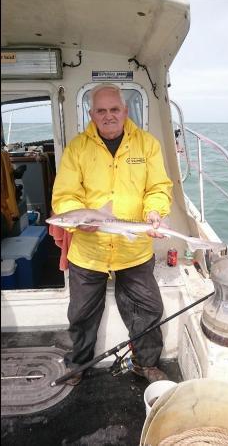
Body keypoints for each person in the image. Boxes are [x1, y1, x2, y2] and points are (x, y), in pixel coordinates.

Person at [52, 83, 173, 385]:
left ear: (125, 110)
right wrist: (79, 216)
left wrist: (155, 211)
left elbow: (158, 188)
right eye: (101, 111)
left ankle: (145, 364)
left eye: (114, 109)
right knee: (80, 314)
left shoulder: (147, 145)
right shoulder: (77, 148)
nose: (108, 116)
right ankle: (78, 366)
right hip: (89, 250)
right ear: (91, 114)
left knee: (149, 308)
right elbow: (64, 196)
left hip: (134, 250)